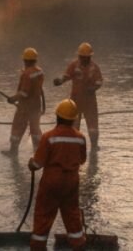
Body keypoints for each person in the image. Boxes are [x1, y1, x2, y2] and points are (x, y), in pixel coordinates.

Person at [28, 99, 88, 250]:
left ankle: (38, 246)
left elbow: (38, 164)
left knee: (44, 215)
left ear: (57, 116)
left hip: (51, 182)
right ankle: (79, 244)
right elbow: (82, 160)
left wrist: (31, 163)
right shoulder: (80, 138)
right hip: (71, 182)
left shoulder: (49, 137)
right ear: (73, 119)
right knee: (72, 215)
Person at [54, 42, 103, 149]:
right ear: (79, 56)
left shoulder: (94, 68)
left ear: (90, 57)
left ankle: (94, 146)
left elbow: (99, 82)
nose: (84, 59)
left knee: (93, 127)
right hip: (75, 101)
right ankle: (73, 146)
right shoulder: (74, 65)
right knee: (74, 126)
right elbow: (66, 76)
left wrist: (93, 88)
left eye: (86, 57)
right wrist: (60, 81)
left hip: (90, 102)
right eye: (82, 57)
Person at [3, 47, 46, 155]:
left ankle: (13, 151)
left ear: (25, 60)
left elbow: (24, 93)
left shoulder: (27, 74)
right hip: (36, 105)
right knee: (35, 129)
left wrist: (13, 98)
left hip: (25, 107)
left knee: (17, 127)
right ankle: (39, 151)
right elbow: (40, 90)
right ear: (35, 60)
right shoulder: (39, 71)